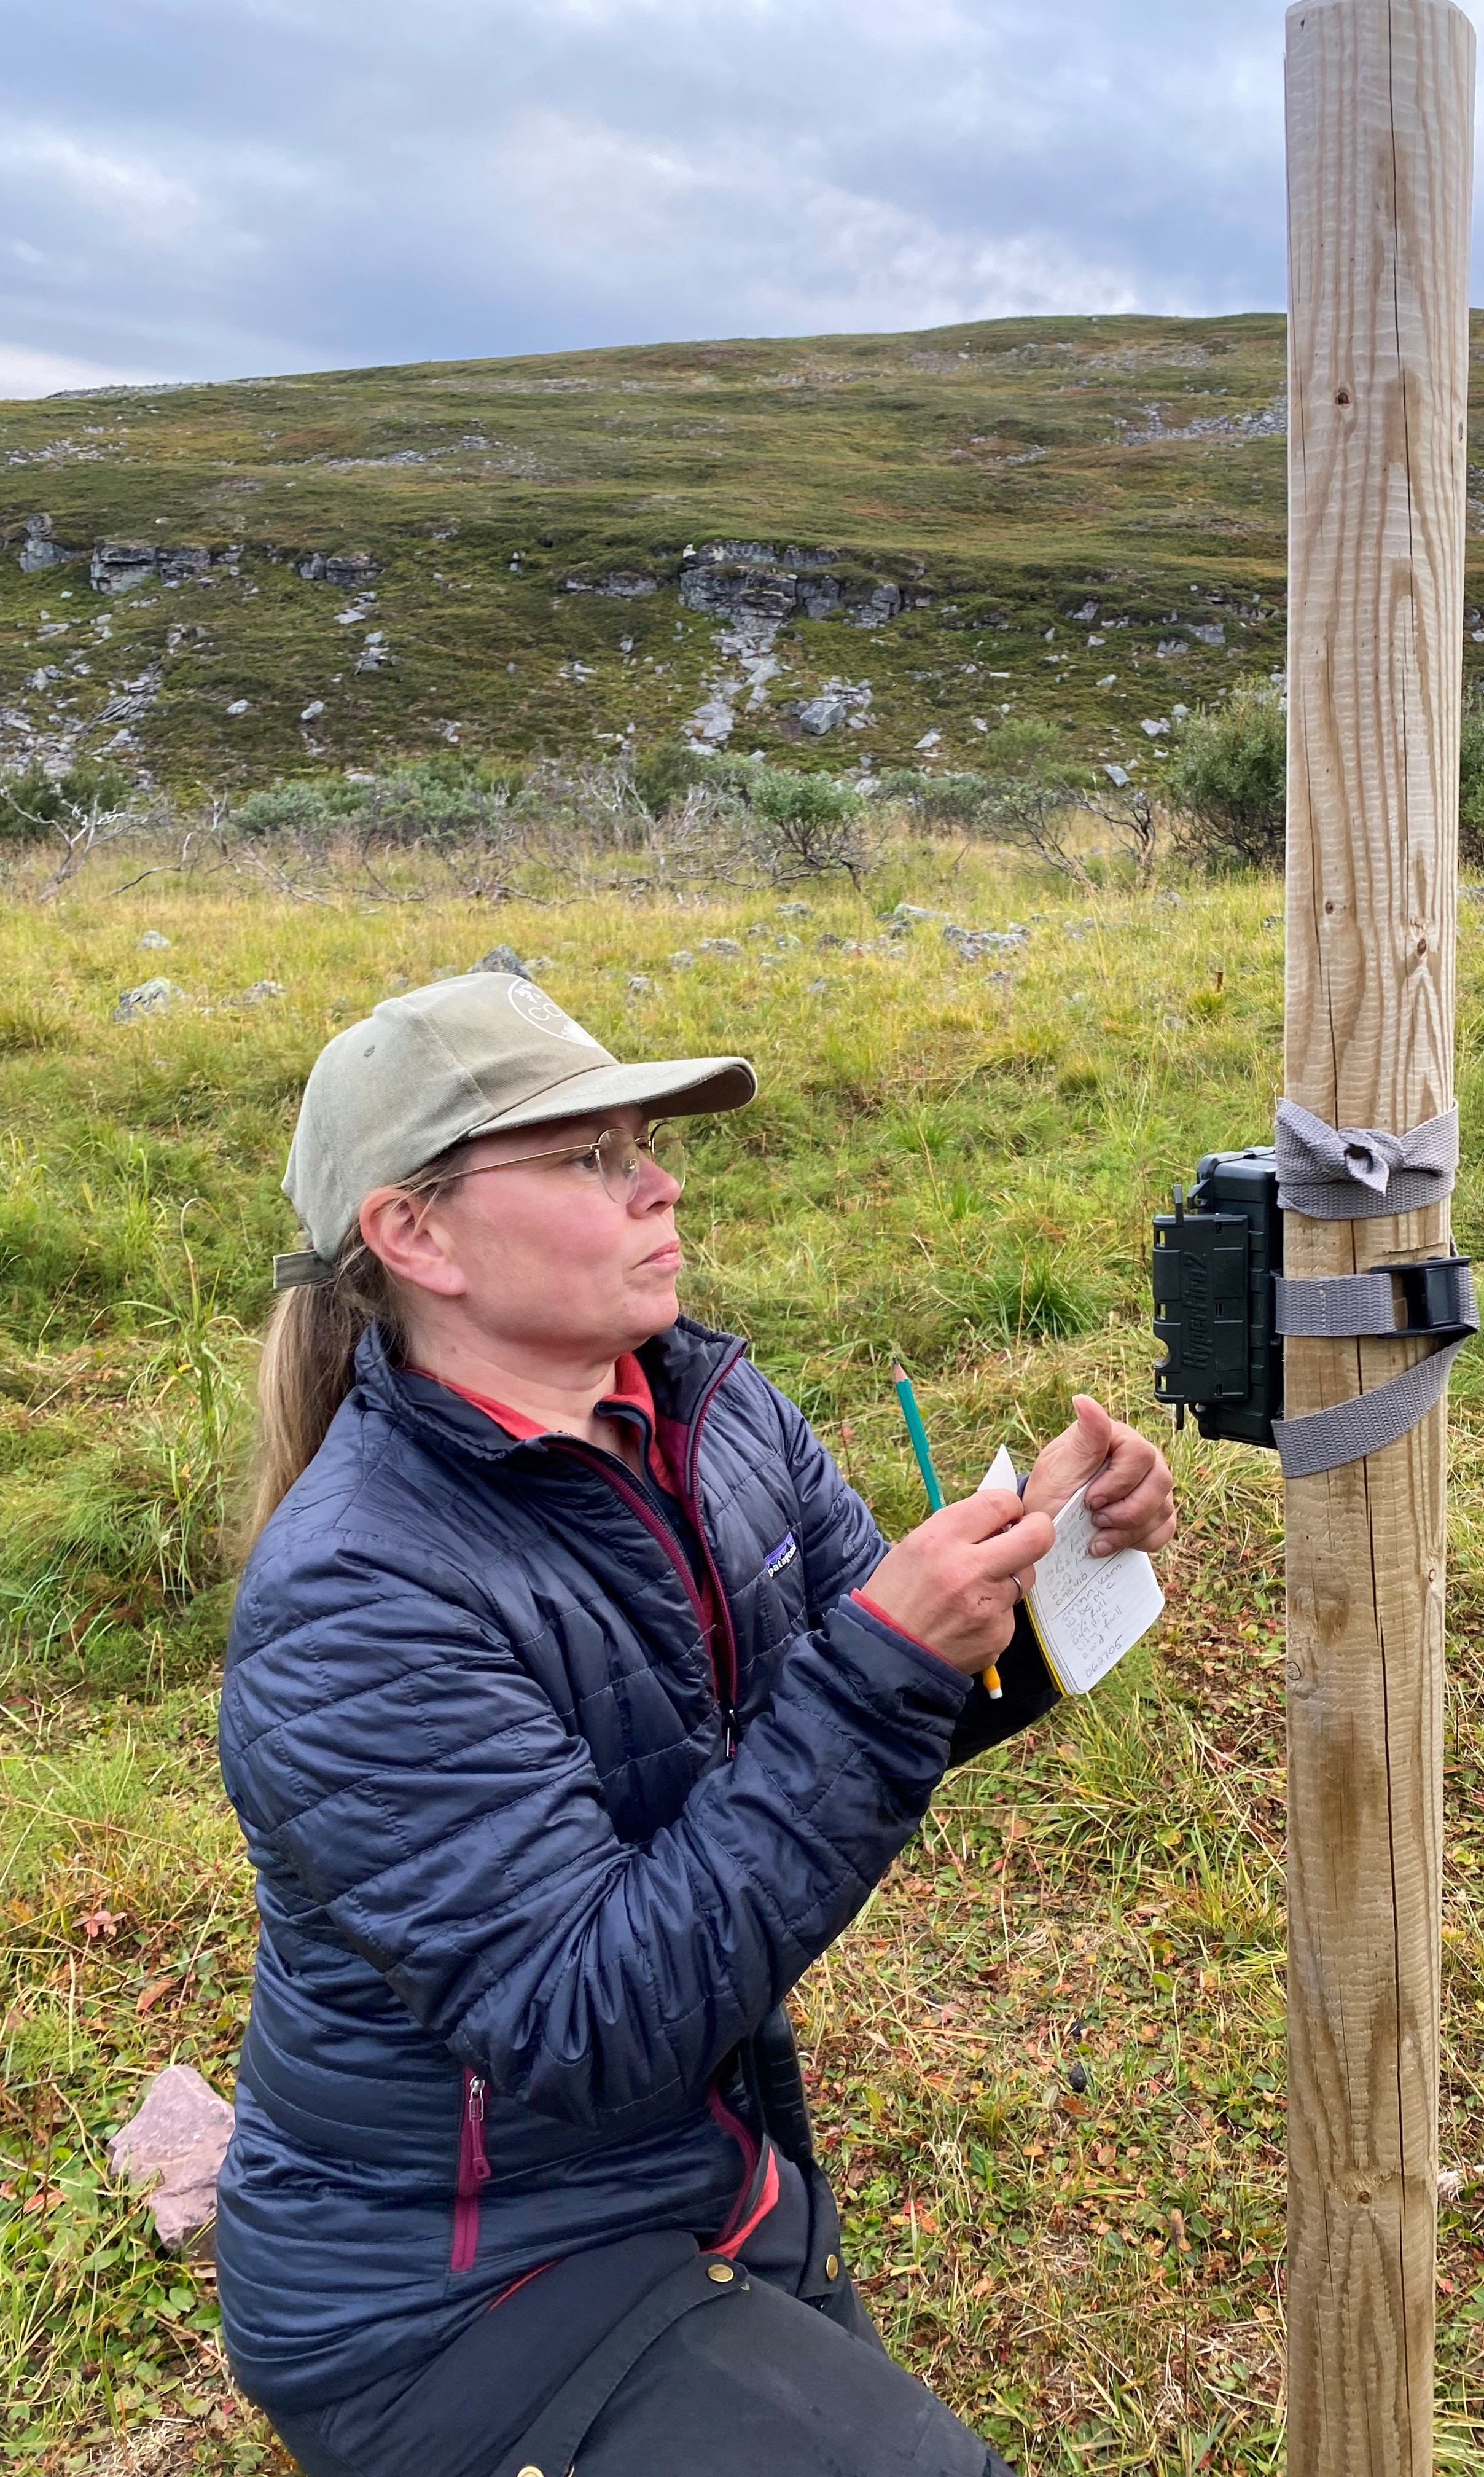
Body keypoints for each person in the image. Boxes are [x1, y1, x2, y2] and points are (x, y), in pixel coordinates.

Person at [216, 972, 1177, 2477]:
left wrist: (1040, 1560)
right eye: (590, 1156)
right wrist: (887, 1656)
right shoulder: (356, 1596)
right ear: (416, 1235)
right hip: (449, 2289)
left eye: (647, 1144)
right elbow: (582, 2018)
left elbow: (879, 1708)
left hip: (698, 2161)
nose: (660, 1183)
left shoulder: (712, 1411)